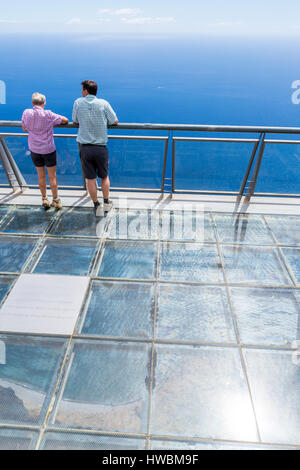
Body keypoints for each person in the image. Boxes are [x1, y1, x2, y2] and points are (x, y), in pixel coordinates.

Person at [72, 80, 118, 215]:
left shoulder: (78, 103)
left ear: (86, 91)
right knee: (104, 177)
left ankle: (96, 204)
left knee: (90, 179)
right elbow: (114, 121)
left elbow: (75, 120)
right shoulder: (104, 104)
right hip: (100, 147)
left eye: (82, 89)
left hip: (85, 148)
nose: (81, 92)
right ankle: (106, 202)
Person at [22, 92, 68, 209]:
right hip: (48, 149)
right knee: (52, 177)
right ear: (44, 103)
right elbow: (65, 120)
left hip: (34, 149)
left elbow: (24, 128)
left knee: (41, 176)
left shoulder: (26, 113)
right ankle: (56, 201)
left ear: (32, 103)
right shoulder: (48, 114)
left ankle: (44, 199)